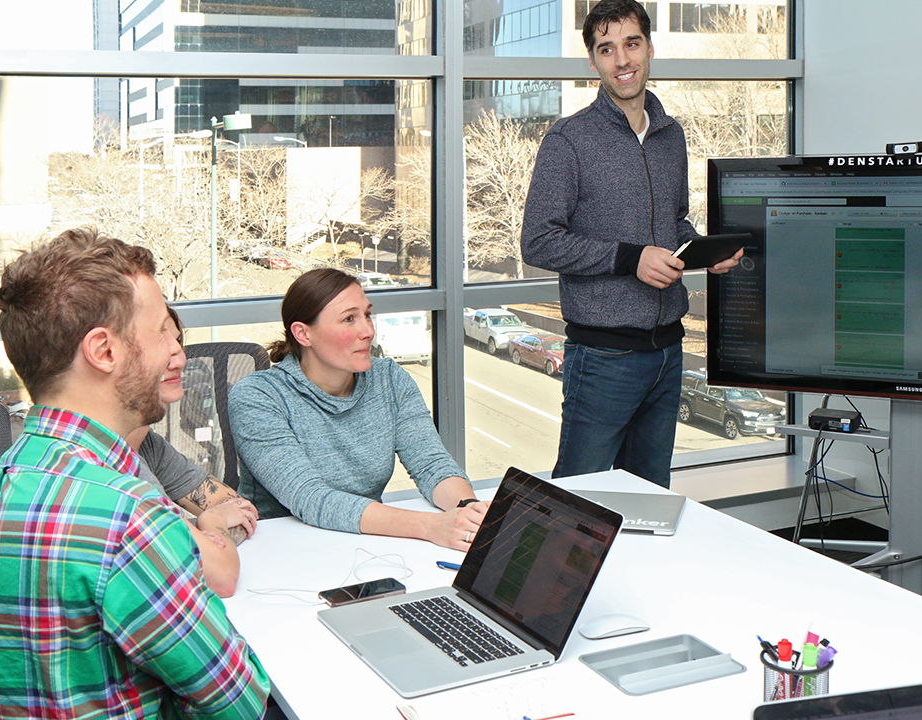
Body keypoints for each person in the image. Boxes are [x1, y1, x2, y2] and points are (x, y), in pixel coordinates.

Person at [0, 228, 269, 718]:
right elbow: (240, 702)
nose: (178, 352)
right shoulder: (129, 520)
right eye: (160, 333)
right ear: (104, 352)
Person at [519, 0, 741, 488]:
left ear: (649, 47)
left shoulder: (671, 135)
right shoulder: (568, 140)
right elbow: (537, 242)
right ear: (594, 61)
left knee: (649, 500)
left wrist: (704, 252)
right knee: (580, 501)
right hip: (602, 359)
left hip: (668, 352)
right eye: (606, 49)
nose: (622, 60)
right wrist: (629, 258)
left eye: (631, 44)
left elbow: (671, 225)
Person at [228, 268, 488, 550]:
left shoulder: (390, 379)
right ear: (303, 334)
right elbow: (310, 498)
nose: (368, 331)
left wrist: (467, 510)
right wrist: (429, 526)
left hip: (367, 543)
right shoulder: (258, 396)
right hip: (284, 550)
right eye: (349, 319)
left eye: (367, 314)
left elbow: (431, 465)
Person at [125, 305, 260, 598]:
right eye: (162, 342)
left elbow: (241, 509)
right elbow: (218, 575)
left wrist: (199, 535)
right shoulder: (111, 464)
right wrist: (209, 523)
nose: (181, 358)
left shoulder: (146, 442)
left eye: (178, 343)